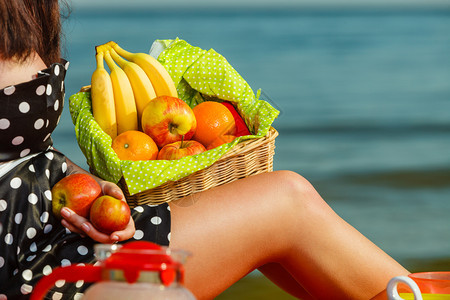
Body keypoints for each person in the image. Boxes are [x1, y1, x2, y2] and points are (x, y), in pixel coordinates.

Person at [0, 1, 410, 299]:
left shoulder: (29, 8)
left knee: (269, 211)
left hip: (60, 230)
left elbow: (28, 151)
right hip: (23, 261)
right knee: (287, 203)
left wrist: (96, 189)